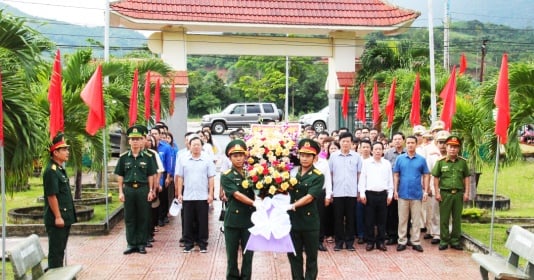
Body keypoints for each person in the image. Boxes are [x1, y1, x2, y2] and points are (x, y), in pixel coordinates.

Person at [115, 125, 157, 255]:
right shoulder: (123, 158)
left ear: (142, 141)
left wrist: (151, 190)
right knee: (130, 217)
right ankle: (131, 243)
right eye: (133, 139)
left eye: (138, 139)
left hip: (143, 189)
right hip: (129, 190)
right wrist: (120, 192)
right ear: (129, 141)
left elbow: (151, 175)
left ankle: (141, 243)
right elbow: (120, 175)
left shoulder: (148, 157)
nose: (135, 141)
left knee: (143, 217)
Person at [288, 139, 325, 280]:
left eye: (308, 155)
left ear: (314, 158)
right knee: (294, 255)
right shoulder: (291, 173)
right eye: (302, 155)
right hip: (292, 221)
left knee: (311, 256)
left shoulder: (318, 176)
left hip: (309, 222)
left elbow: (310, 196)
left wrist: (293, 205)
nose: (304, 158)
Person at [221, 139, 257, 280]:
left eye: (241, 155)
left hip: (250, 219)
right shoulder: (226, 175)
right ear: (230, 158)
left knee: (248, 254)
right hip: (233, 221)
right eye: (235, 156)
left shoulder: (253, 173)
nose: (239, 158)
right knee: (232, 255)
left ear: (245, 156)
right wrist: (255, 203)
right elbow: (236, 194)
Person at [175, 136, 216, 253]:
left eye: (198, 144)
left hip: (203, 195)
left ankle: (203, 243)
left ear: (202, 146)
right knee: (187, 220)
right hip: (188, 195)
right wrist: (179, 193)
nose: (196, 147)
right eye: (194, 145)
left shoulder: (207, 159)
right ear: (189, 146)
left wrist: (211, 193)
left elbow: (211, 177)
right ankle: (188, 244)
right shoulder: (183, 159)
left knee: (203, 221)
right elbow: (180, 177)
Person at [43, 133, 77, 268]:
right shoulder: (51, 171)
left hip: (64, 216)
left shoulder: (59, 169)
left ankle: (59, 273)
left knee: (60, 250)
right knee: (56, 252)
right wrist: (58, 216)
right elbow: (51, 196)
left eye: (67, 149)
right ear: (55, 152)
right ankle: (55, 274)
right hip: (57, 218)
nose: (67, 152)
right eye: (64, 150)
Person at [432, 136, 470, 251]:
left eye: (455, 147)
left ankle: (455, 241)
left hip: (458, 194)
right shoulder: (440, 162)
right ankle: (444, 240)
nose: (453, 149)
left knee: (457, 218)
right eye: (450, 147)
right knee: (444, 218)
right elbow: (436, 178)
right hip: (445, 194)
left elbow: (466, 178)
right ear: (446, 148)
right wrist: (437, 192)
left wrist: (467, 192)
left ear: (458, 149)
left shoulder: (462, 163)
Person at [393, 136, 430, 253]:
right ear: (405, 144)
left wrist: (426, 191)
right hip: (403, 193)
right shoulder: (400, 159)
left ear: (416, 144)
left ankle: (416, 241)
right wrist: (395, 190)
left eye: (412, 143)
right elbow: (396, 175)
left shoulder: (421, 160)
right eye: (408, 143)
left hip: (416, 194)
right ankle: (402, 241)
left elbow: (426, 175)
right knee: (402, 219)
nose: (410, 145)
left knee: (416, 219)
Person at [329, 132, 362, 251]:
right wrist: (330, 191)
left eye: (348, 141)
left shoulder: (357, 156)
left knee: (350, 218)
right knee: (337, 218)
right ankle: (338, 242)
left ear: (352, 143)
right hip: (337, 192)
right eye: (343, 141)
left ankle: (349, 242)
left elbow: (359, 174)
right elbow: (330, 174)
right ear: (340, 142)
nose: (346, 143)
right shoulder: (333, 156)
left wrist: (359, 191)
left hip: (351, 192)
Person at [358, 141, 393, 251]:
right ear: (372, 151)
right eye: (376, 149)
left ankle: (381, 241)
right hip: (370, 195)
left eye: (380, 149)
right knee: (369, 220)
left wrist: (390, 194)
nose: (378, 151)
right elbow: (362, 179)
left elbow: (390, 180)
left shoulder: (387, 163)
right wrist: (362, 193)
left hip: (383, 195)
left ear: (383, 151)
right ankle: (370, 241)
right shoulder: (366, 163)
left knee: (382, 220)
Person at [425, 130, 450, 245]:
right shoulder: (432, 156)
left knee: (448, 212)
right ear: (436, 142)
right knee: (435, 211)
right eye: (440, 142)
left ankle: (448, 232)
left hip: (450, 188)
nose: (442, 145)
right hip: (435, 187)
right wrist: (427, 188)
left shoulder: (454, 156)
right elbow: (428, 173)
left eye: (445, 142)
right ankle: (436, 233)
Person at [383, 132, 406, 245]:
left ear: (403, 140)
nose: (397, 141)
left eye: (399, 139)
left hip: (405, 187)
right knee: (392, 212)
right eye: (395, 139)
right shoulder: (388, 154)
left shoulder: (408, 152)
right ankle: (392, 235)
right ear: (392, 141)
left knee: (405, 213)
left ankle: (405, 235)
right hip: (392, 187)